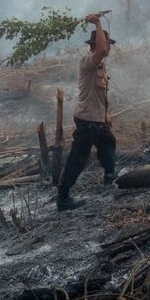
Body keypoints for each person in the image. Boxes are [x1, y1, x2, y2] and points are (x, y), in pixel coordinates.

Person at [55, 13, 117, 211]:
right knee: (78, 158)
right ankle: (63, 197)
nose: (108, 48)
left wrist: (105, 115)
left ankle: (109, 179)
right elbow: (101, 48)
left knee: (108, 143)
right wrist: (97, 22)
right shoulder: (88, 62)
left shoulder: (100, 65)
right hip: (87, 120)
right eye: (106, 44)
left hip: (97, 119)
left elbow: (100, 95)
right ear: (95, 45)